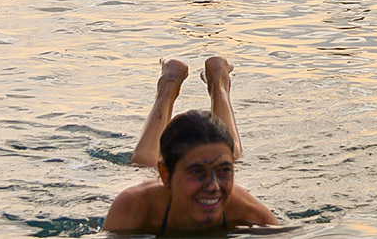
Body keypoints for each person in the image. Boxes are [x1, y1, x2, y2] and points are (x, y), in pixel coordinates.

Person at [104, 57, 277, 234]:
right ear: (164, 174)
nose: (213, 187)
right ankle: (168, 86)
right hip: (155, 190)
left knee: (224, 153)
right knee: (143, 163)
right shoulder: (134, 207)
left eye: (225, 170)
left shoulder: (247, 211)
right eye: (197, 172)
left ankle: (219, 84)